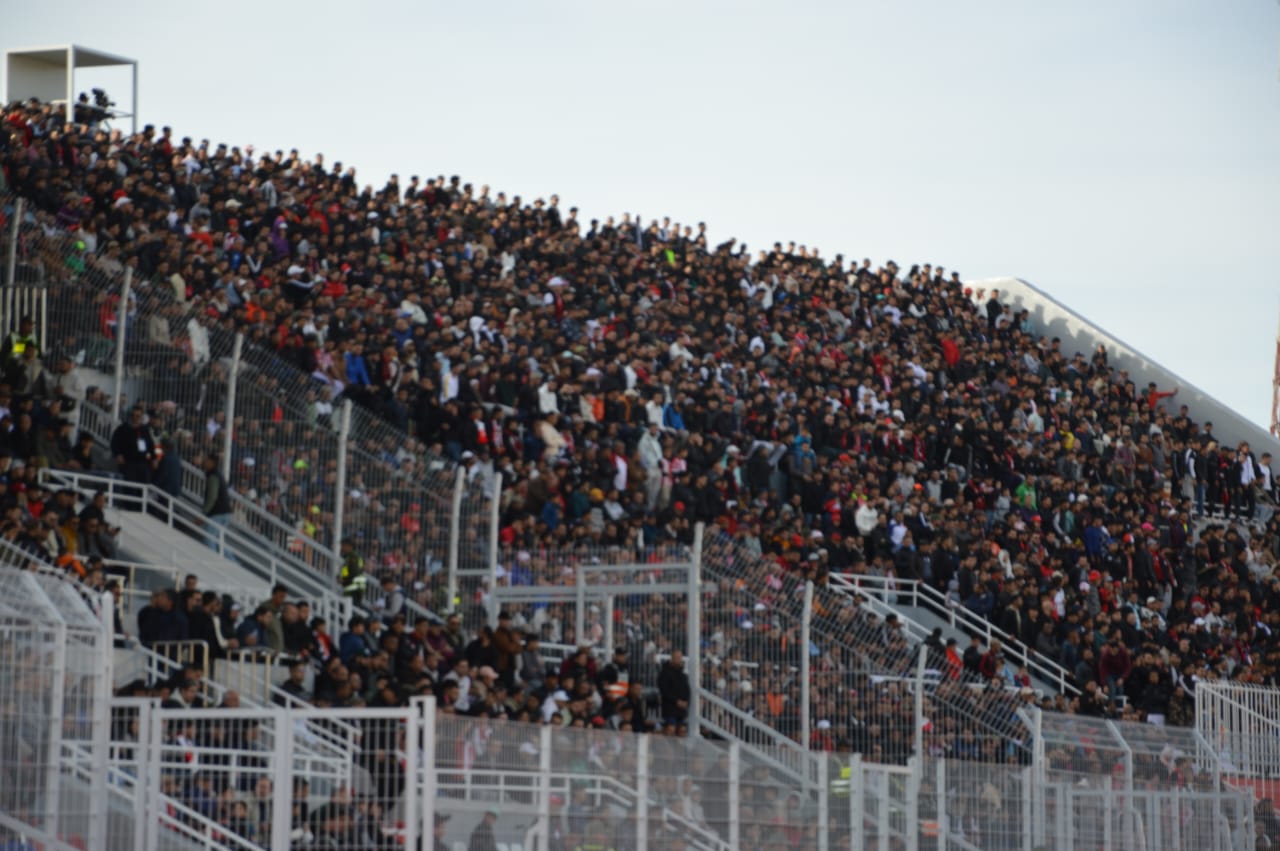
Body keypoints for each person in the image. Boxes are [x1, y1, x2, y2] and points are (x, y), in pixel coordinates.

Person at [201, 452, 233, 553]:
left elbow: (212, 497)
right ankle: (233, 564)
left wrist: (204, 513)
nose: (204, 462)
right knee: (220, 541)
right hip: (225, 512)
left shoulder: (213, 476)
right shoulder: (218, 474)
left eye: (206, 461)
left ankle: (212, 562)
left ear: (212, 462)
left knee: (209, 538)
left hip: (217, 513)